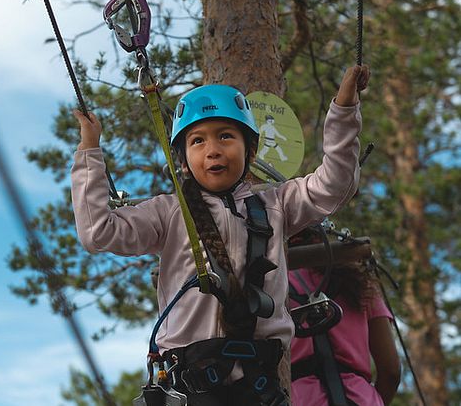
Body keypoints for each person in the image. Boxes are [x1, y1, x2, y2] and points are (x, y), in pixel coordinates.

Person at [70, 65, 369, 405]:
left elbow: (335, 185)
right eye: (198, 141)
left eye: (226, 136)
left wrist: (343, 110)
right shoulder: (169, 212)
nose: (212, 149)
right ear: (183, 162)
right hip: (191, 386)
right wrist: (89, 151)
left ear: (250, 152)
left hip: (258, 385)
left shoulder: (277, 204)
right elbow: (97, 232)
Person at [288, 260, 401, 406]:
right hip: (361, 398)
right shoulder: (361, 282)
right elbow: (391, 370)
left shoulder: (273, 283)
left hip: (302, 398)